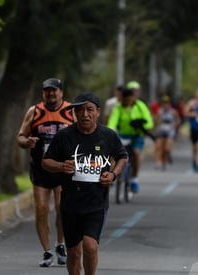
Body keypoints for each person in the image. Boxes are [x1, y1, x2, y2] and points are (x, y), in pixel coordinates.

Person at [42, 92, 128, 275]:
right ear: (74, 113)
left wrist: (113, 175)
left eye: (89, 110)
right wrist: (60, 165)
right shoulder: (64, 136)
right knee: (73, 252)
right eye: (80, 110)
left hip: (96, 202)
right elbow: (45, 162)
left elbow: (122, 157)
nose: (85, 114)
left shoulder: (108, 136)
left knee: (90, 246)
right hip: (70, 204)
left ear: (98, 112)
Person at [17, 77, 74, 267]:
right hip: (40, 167)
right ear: (43, 93)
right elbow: (20, 136)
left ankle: (60, 244)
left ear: (61, 92)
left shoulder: (70, 111)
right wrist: (27, 142)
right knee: (41, 209)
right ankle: (47, 251)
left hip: (63, 168)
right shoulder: (35, 112)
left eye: (54, 90)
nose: (51, 93)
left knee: (61, 208)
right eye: (47, 90)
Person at [107, 81, 154, 193]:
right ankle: (112, 174)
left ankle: (134, 180)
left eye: (130, 99)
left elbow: (149, 122)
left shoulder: (140, 105)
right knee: (113, 155)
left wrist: (143, 124)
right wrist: (110, 131)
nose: (128, 102)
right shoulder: (118, 108)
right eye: (125, 100)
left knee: (136, 153)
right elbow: (112, 122)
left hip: (137, 135)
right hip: (123, 135)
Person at [154, 95, 180, 170]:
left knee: (167, 149)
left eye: (167, 103)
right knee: (158, 147)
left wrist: (175, 125)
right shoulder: (160, 111)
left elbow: (178, 120)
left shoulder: (173, 112)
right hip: (161, 130)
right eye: (164, 103)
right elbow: (156, 121)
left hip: (170, 131)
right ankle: (158, 161)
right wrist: (156, 126)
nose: (166, 105)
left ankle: (164, 161)